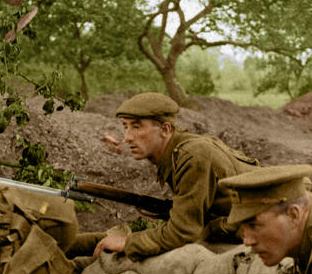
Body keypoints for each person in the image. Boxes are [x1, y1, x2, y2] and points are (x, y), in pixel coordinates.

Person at [89, 92, 259, 259]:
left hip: (263, 226)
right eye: (125, 127)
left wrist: (128, 242)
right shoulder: (178, 151)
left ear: (165, 129)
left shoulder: (192, 156)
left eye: (136, 126)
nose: (127, 137)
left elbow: (182, 233)